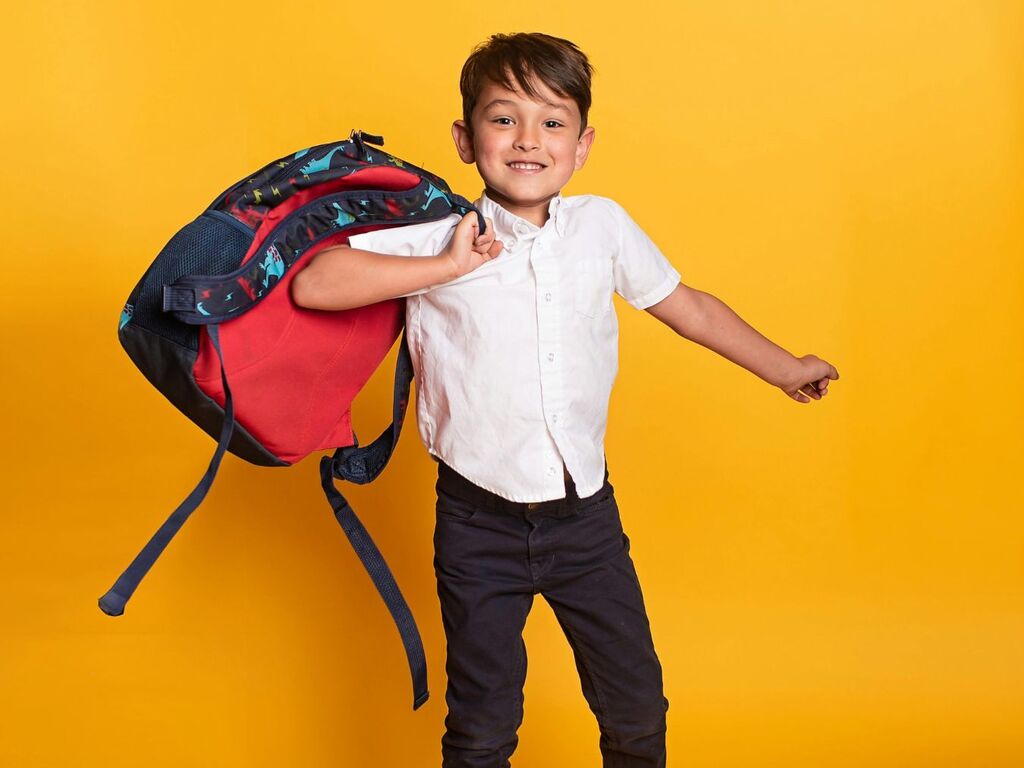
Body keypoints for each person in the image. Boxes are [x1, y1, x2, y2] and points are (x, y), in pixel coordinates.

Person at [291, 31, 839, 768]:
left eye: (552, 122)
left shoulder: (602, 227)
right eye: (503, 118)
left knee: (636, 708)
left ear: (582, 146)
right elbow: (315, 283)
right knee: (482, 725)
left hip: (586, 521)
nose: (528, 139)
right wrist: (447, 265)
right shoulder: (439, 237)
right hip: (475, 522)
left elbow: (688, 308)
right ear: (465, 139)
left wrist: (784, 367)